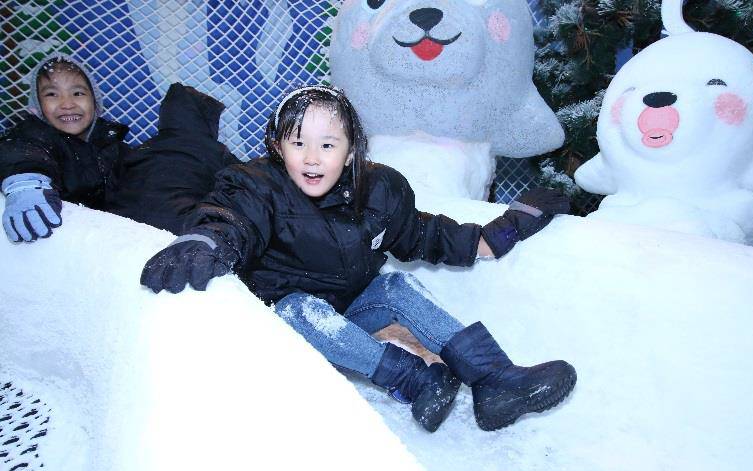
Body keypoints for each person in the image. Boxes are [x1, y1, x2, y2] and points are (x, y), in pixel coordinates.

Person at [140, 85, 577, 433]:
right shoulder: (256, 184)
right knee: (298, 307)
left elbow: (428, 235)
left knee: (393, 286)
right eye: (298, 143)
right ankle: (414, 380)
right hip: (280, 327)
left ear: (351, 151)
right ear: (277, 146)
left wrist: (510, 226)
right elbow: (231, 217)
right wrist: (204, 242)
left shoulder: (380, 191)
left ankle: (494, 381)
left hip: (347, 316)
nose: (312, 157)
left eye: (328, 144)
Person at [0, 53, 129, 243]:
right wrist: (26, 182)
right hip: (56, 241)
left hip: (104, 244)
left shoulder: (112, 146)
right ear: (37, 106)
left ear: (95, 103)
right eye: (52, 94)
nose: (67, 104)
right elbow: (20, 151)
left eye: (78, 93)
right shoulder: (36, 136)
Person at [105, 83, 241, 235]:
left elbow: (113, 183)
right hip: (179, 224)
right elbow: (243, 179)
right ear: (207, 121)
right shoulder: (215, 150)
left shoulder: (143, 148)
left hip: (121, 221)